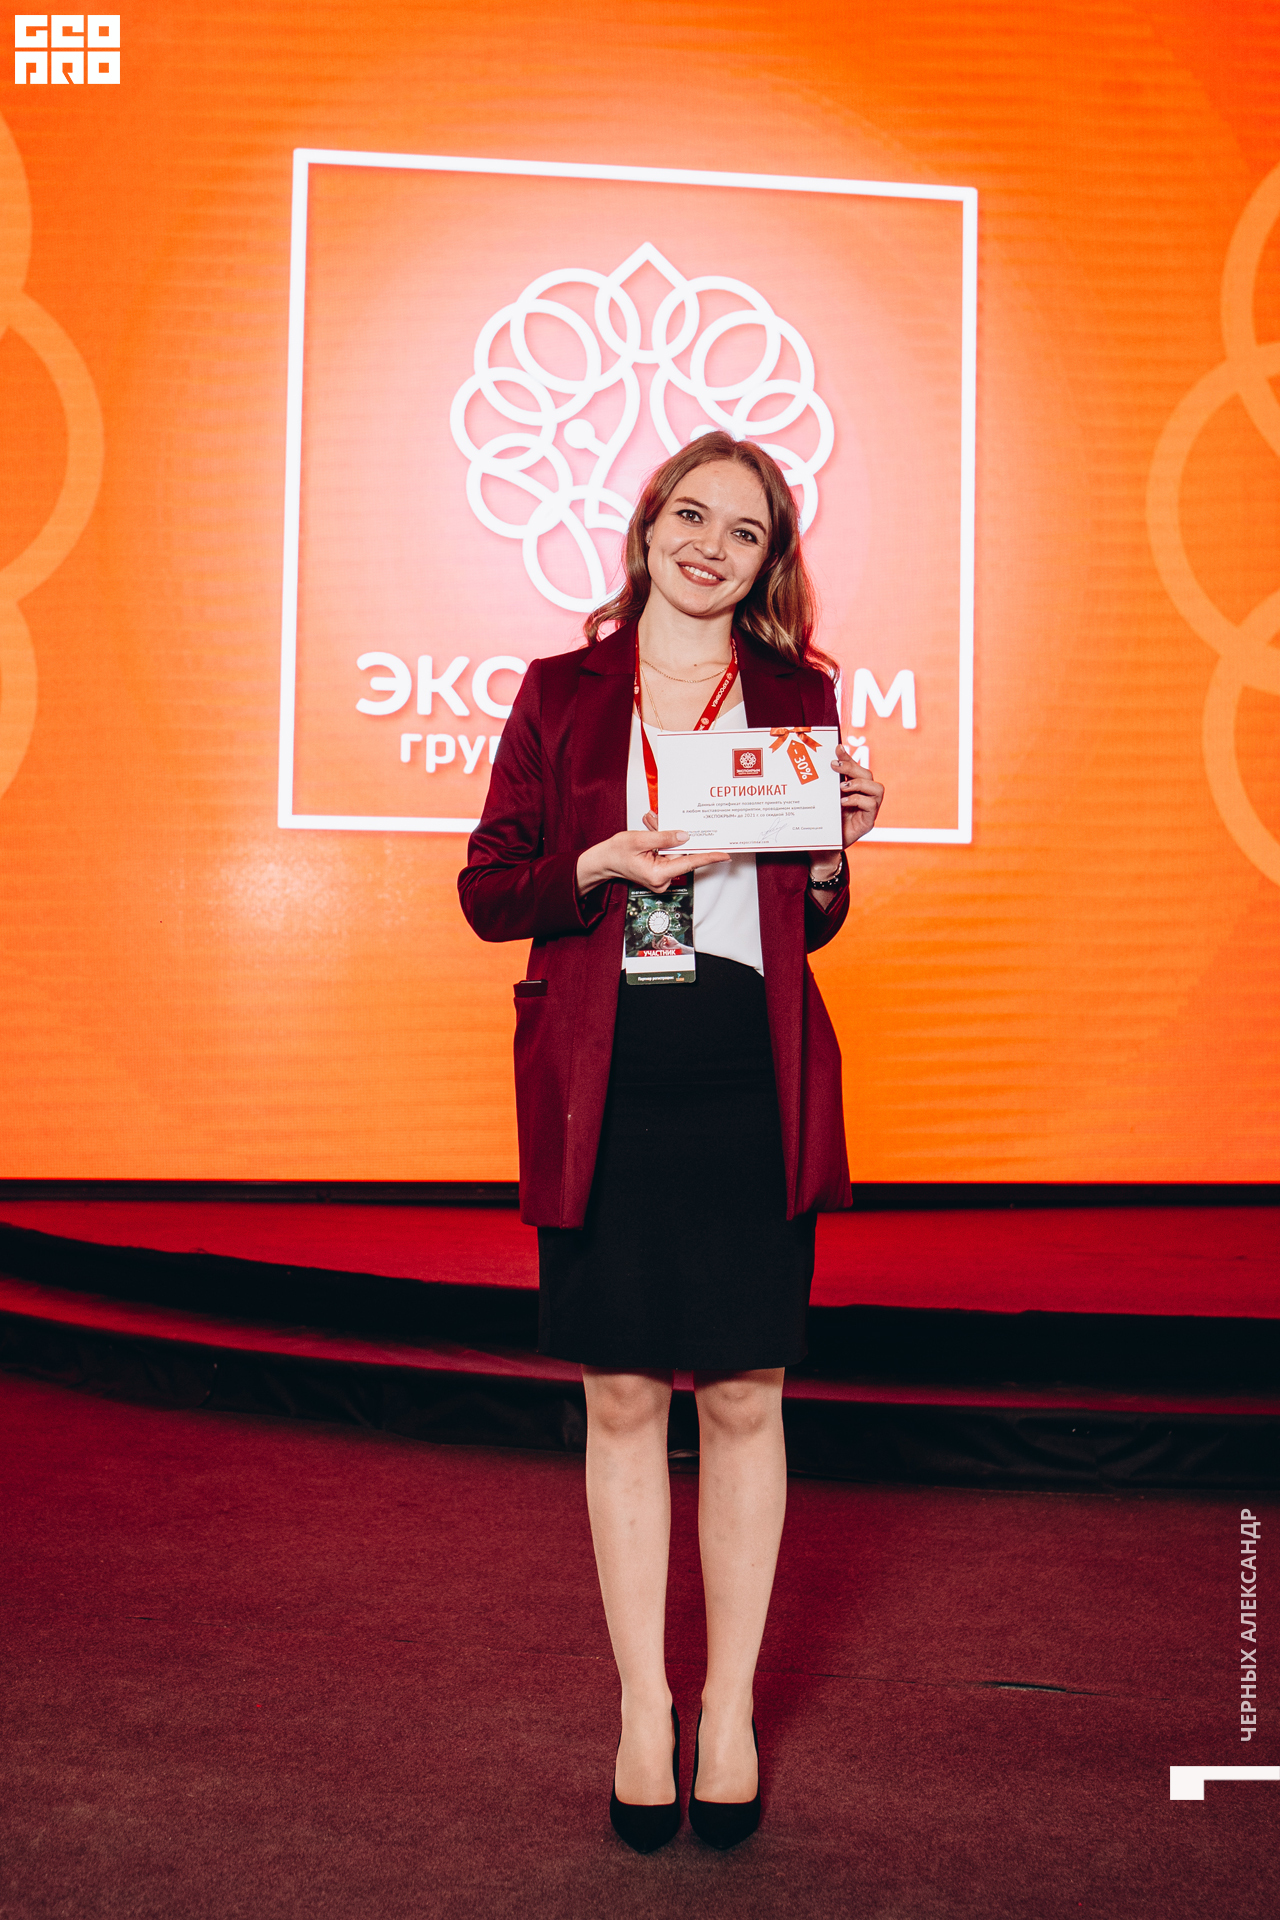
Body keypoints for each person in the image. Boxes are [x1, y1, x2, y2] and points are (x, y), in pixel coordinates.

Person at [457, 431, 884, 1852]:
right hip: (609, 1077)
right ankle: (647, 1706)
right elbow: (488, 891)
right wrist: (596, 863)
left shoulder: (797, 694)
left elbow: (803, 916)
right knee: (626, 1396)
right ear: (646, 530)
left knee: (750, 1395)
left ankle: (734, 1706)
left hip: (750, 1077)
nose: (710, 545)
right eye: (690, 516)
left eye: (744, 532)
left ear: (769, 565)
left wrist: (833, 855)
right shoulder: (560, 692)